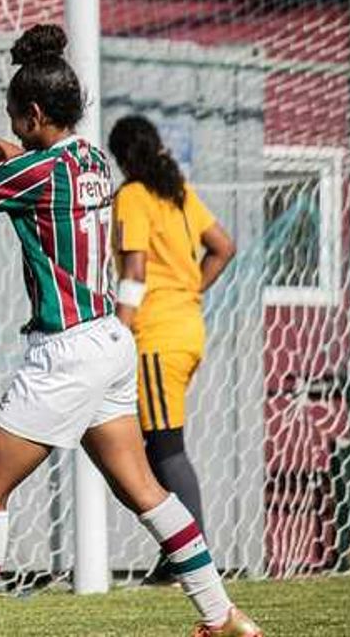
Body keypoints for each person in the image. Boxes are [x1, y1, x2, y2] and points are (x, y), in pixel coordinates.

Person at [0, 24, 262, 637]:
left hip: (67, 352)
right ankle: (221, 614)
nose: (12, 127)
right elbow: (11, 156)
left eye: (14, 117)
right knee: (143, 488)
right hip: (111, 342)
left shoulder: (42, 171)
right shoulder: (89, 158)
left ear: (34, 113)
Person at [108, 114, 237, 585]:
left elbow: (135, 272)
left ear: (121, 157)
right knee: (157, 444)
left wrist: (118, 335)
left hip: (157, 336)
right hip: (186, 328)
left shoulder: (133, 196)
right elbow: (224, 246)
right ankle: (179, 552)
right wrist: (191, 292)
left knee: (165, 448)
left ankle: (190, 557)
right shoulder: (176, 193)